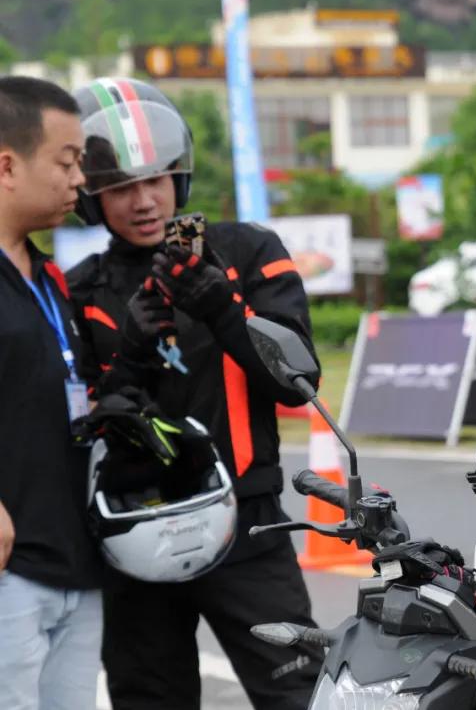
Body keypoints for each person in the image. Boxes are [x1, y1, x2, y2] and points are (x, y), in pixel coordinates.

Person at [66, 77, 321, 709]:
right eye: (121, 188)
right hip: (131, 529)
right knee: (148, 700)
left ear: (179, 177)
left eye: (156, 180)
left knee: (300, 695)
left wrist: (224, 310)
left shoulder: (249, 251)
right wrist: (130, 355)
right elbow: (79, 427)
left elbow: (300, 386)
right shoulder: (78, 289)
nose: (143, 201)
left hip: (251, 524)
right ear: (91, 198)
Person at [0, 75, 103, 710]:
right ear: (7, 166)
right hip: (10, 572)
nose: (79, 180)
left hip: (75, 567)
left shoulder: (49, 277)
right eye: (66, 163)